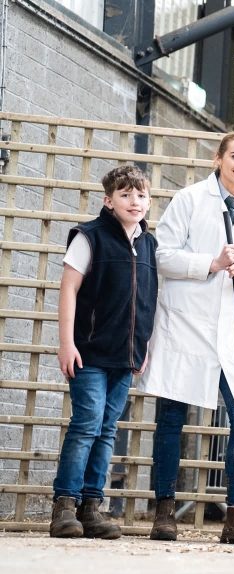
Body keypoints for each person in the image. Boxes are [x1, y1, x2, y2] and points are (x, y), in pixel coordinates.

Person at [138, 131, 234, 545]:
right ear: (218, 159)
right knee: (172, 418)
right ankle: (164, 511)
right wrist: (212, 263)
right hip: (186, 324)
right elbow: (162, 256)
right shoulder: (190, 200)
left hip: (228, 328)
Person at [50, 165, 158, 539]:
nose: (134, 201)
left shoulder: (149, 244)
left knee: (107, 430)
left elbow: (148, 299)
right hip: (89, 354)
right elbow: (69, 289)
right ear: (108, 200)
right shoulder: (89, 237)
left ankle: (91, 507)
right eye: (126, 195)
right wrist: (67, 342)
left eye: (141, 195)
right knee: (86, 426)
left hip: (125, 357)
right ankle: (65, 504)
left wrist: (143, 347)